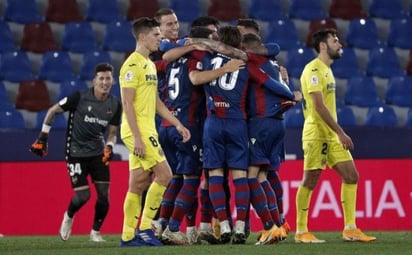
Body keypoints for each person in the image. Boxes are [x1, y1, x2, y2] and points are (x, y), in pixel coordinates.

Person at [295, 28, 376, 243]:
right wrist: (340, 132)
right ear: (323, 45)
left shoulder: (327, 70)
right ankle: (301, 231)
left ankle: (350, 228)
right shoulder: (313, 70)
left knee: (352, 176)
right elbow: (319, 106)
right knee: (310, 180)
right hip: (317, 133)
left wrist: (336, 133)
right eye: (335, 41)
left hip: (330, 134)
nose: (340, 45)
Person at [118, 17, 191, 247]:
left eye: (160, 34)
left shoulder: (149, 63)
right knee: (165, 175)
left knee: (138, 183)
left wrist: (177, 123)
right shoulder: (131, 66)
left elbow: (156, 101)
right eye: (156, 34)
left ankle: (128, 236)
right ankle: (147, 228)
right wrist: (138, 137)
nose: (161, 38)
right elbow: (127, 104)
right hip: (136, 131)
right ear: (142, 37)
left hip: (147, 128)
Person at [30, 63, 122, 242]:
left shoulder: (115, 104)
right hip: (76, 152)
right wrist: (43, 137)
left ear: (113, 81)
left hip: (97, 152)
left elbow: (111, 133)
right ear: (94, 80)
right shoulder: (79, 97)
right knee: (83, 195)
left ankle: (95, 232)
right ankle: (69, 216)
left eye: (108, 78)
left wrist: (109, 147)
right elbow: (52, 111)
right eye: (101, 78)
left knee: (104, 196)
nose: (105, 82)